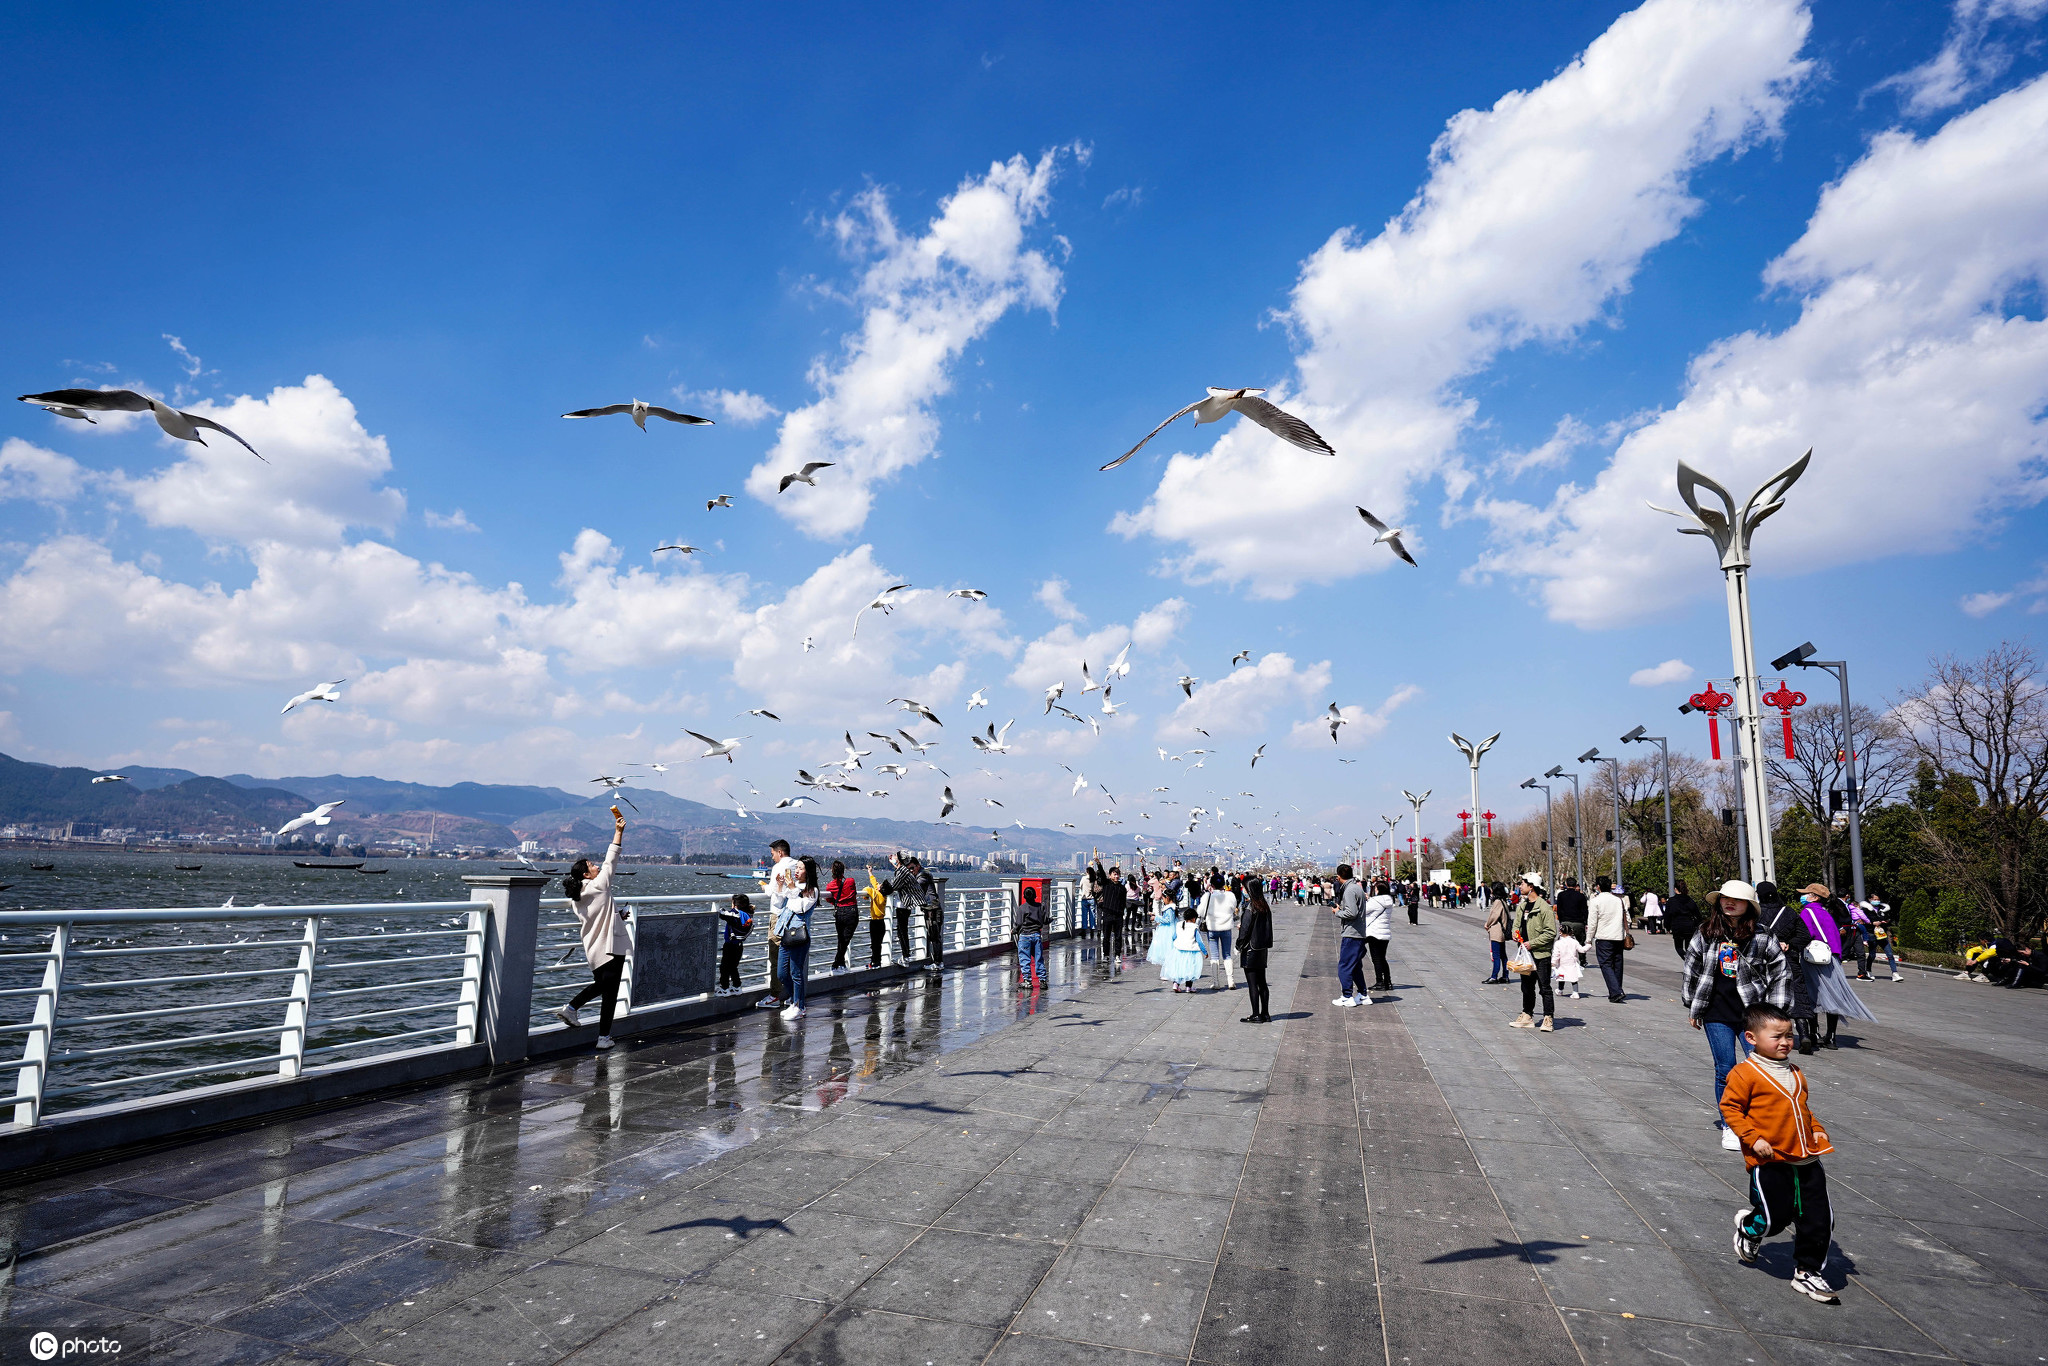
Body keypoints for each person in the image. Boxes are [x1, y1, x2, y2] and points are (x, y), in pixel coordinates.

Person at [1724, 1003, 1841, 1304]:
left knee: (1819, 1219)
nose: (1786, 1042)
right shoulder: (1744, 1073)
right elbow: (1731, 1109)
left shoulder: (1796, 1073)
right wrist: (1752, 1138)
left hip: (1806, 1158)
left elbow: (1802, 1110)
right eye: (1777, 1036)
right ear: (1751, 1038)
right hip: (1770, 1159)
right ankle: (1750, 1229)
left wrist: (1816, 1129)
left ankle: (1807, 1271)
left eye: (1789, 1035)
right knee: (1775, 1218)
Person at [1682, 880, 1793, 1150]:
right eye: (1725, 898)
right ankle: (1731, 1124)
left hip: (1753, 1014)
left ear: (1749, 907)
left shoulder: (1762, 936)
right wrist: (1692, 1005)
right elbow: (1691, 967)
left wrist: (1777, 1012)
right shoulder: (1706, 932)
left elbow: (1781, 972)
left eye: (1737, 900)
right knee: (1726, 1070)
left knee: (1763, 1068)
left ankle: (1764, 1119)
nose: (1729, 903)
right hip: (1715, 1011)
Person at [557, 804, 630, 1050]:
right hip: (611, 945)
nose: (597, 866)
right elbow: (612, 859)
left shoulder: (578, 895)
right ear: (587, 875)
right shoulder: (599, 886)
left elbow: (597, 914)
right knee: (609, 991)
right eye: (592, 865)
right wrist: (618, 831)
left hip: (593, 948)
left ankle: (599, 1033)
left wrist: (618, 914)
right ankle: (576, 1012)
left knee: (605, 987)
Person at [1797, 884, 1876, 1047]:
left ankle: (1814, 1032)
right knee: (1832, 996)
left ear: (1815, 897)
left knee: (1812, 996)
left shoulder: (1807, 912)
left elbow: (1805, 934)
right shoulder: (1827, 913)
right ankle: (1831, 1037)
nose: (1804, 896)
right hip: (1831, 958)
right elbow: (1836, 937)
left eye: (1807, 894)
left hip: (1813, 958)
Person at [1509, 874, 1558, 1032]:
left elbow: (1551, 932)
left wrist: (1533, 943)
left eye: (1523, 883)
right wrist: (1515, 933)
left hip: (1541, 954)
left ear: (1531, 886)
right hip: (1525, 954)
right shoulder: (1522, 906)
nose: (1520, 886)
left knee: (1544, 987)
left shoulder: (1544, 907)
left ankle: (1548, 1017)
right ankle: (1527, 1015)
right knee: (1526, 987)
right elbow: (1516, 924)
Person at [758, 839, 803, 1012]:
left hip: (779, 917)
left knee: (776, 957)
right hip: (794, 917)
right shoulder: (797, 866)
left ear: (780, 852)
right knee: (792, 957)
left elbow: (775, 895)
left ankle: (775, 995)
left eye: (773, 854)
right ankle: (793, 995)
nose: (772, 858)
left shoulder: (779, 867)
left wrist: (764, 888)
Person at [1331, 863, 1373, 1007]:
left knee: (1344, 966)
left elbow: (1352, 913)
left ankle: (1347, 996)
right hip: (1359, 933)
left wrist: (1338, 912)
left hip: (1352, 934)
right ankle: (1363, 995)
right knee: (1355, 966)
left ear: (1338, 876)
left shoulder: (1349, 890)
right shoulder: (1357, 888)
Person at [1586, 874, 1630, 1003]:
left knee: (1605, 964)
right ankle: (1616, 990)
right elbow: (1626, 917)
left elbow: (1592, 922)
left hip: (1604, 937)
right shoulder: (1618, 900)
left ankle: (1616, 991)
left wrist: (1589, 939)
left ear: (1598, 887)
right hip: (1618, 936)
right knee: (1617, 963)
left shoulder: (1595, 901)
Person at [1237, 879, 1275, 1023]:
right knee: (1262, 982)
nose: (1243, 891)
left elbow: (1245, 930)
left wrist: (1238, 945)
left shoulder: (1250, 907)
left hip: (1250, 949)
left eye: (1244, 888)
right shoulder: (1264, 906)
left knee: (1252, 984)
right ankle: (1265, 1013)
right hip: (1261, 948)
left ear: (1249, 889)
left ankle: (1255, 1014)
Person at [1197, 872, 1239, 990]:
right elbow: (1233, 908)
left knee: (1214, 956)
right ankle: (1231, 981)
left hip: (1212, 928)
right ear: (1224, 884)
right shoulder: (1230, 895)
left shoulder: (1207, 896)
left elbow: (1200, 912)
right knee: (1227, 954)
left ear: (1212, 885)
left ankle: (1216, 982)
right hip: (1226, 928)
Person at [716, 891, 754, 995]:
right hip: (739, 945)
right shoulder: (748, 915)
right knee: (733, 967)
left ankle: (724, 988)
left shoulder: (735, 915)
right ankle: (737, 987)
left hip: (730, 944)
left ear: (735, 905)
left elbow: (722, 913)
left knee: (724, 967)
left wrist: (719, 907)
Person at [1362, 879, 1396, 992]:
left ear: (1378, 890)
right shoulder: (1389, 900)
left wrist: (1366, 900)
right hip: (1385, 933)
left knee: (1376, 959)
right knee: (1382, 958)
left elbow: (1363, 910)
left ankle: (1380, 982)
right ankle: (1388, 982)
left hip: (1374, 933)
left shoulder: (1375, 901)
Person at [825, 860, 859, 973]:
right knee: (845, 940)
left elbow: (829, 899)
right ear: (843, 870)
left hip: (839, 912)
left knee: (842, 939)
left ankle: (840, 964)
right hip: (852, 912)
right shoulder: (851, 881)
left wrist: (837, 903)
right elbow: (853, 893)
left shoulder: (830, 886)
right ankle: (836, 964)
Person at [1163, 904, 1207, 991]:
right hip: (1191, 951)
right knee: (1190, 969)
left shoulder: (1179, 925)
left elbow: (1174, 937)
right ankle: (1188, 987)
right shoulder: (1194, 927)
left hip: (1179, 950)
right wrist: (1205, 952)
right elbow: (1199, 941)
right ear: (1194, 918)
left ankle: (1176, 984)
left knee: (1179, 968)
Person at [1860, 896, 1902, 982]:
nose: (1877, 901)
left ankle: (1895, 973)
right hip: (1872, 934)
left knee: (1890, 954)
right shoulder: (1866, 910)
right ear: (1870, 899)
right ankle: (1868, 970)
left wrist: (1886, 921)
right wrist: (1872, 923)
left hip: (1882, 934)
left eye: (1878, 899)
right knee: (1872, 955)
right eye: (1875, 899)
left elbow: (1889, 917)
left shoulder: (1883, 909)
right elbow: (1863, 922)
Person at [1015, 885, 1049, 989]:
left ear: (1024, 896)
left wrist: (1014, 930)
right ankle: (1042, 980)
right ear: (1035, 895)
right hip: (1036, 935)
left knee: (1025, 958)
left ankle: (1027, 981)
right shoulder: (1040, 906)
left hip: (1025, 935)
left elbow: (1019, 923)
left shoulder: (1022, 908)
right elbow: (1045, 920)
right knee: (1039, 958)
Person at [1665, 880, 1702, 962]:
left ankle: (1688, 961)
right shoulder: (1690, 900)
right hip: (1689, 926)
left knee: (1679, 948)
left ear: (1675, 889)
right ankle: (1692, 962)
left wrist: (1667, 927)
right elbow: (1697, 915)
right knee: (1688, 948)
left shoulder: (1671, 901)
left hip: (1677, 926)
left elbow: (1667, 916)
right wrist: (1698, 925)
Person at [1553, 925, 1587, 1000]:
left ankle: (1560, 990)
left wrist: (1553, 962)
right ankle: (1575, 992)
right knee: (1573, 978)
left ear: (1560, 932)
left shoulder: (1558, 943)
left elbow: (1556, 954)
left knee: (1561, 977)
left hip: (1562, 963)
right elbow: (1582, 950)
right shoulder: (1574, 942)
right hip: (1572, 963)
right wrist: (1588, 945)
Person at [1483, 891, 1511, 983]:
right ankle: (1505, 976)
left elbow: (1494, 916)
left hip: (1497, 931)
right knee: (1503, 955)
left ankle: (1494, 977)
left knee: (1496, 955)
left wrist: (1487, 924)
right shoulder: (1503, 901)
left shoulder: (1498, 902)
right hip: (1502, 931)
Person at [864, 868, 888, 968]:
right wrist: (870, 872)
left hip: (875, 922)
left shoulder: (875, 894)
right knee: (878, 943)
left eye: (880, 885)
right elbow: (874, 883)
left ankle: (875, 962)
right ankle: (876, 961)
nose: (878, 885)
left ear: (879, 889)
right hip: (882, 923)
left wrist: (865, 896)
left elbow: (867, 889)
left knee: (874, 944)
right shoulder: (882, 895)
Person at [1554, 877, 1588, 942]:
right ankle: (1581, 952)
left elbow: (1559, 910)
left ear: (1566, 884)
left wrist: (1561, 921)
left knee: (1564, 943)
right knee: (1580, 944)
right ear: (1576, 885)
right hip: (1578, 923)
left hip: (1565, 922)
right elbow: (1585, 910)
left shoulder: (1561, 895)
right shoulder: (1581, 896)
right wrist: (1585, 922)